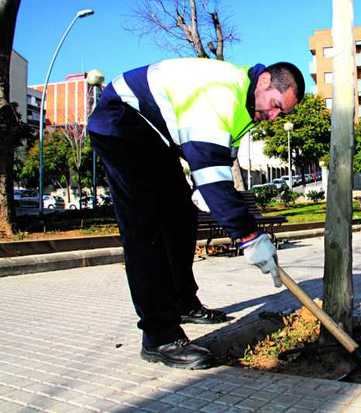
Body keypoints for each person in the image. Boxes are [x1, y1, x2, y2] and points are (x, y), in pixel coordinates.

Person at [86, 58, 304, 369]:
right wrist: (250, 237)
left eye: (280, 113)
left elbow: (220, 157)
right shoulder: (221, 94)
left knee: (181, 218)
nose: (272, 116)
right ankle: (159, 336)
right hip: (121, 121)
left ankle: (182, 302)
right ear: (265, 81)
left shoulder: (245, 107)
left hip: (155, 136)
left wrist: (205, 191)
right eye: (274, 105)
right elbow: (212, 175)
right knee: (146, 228)